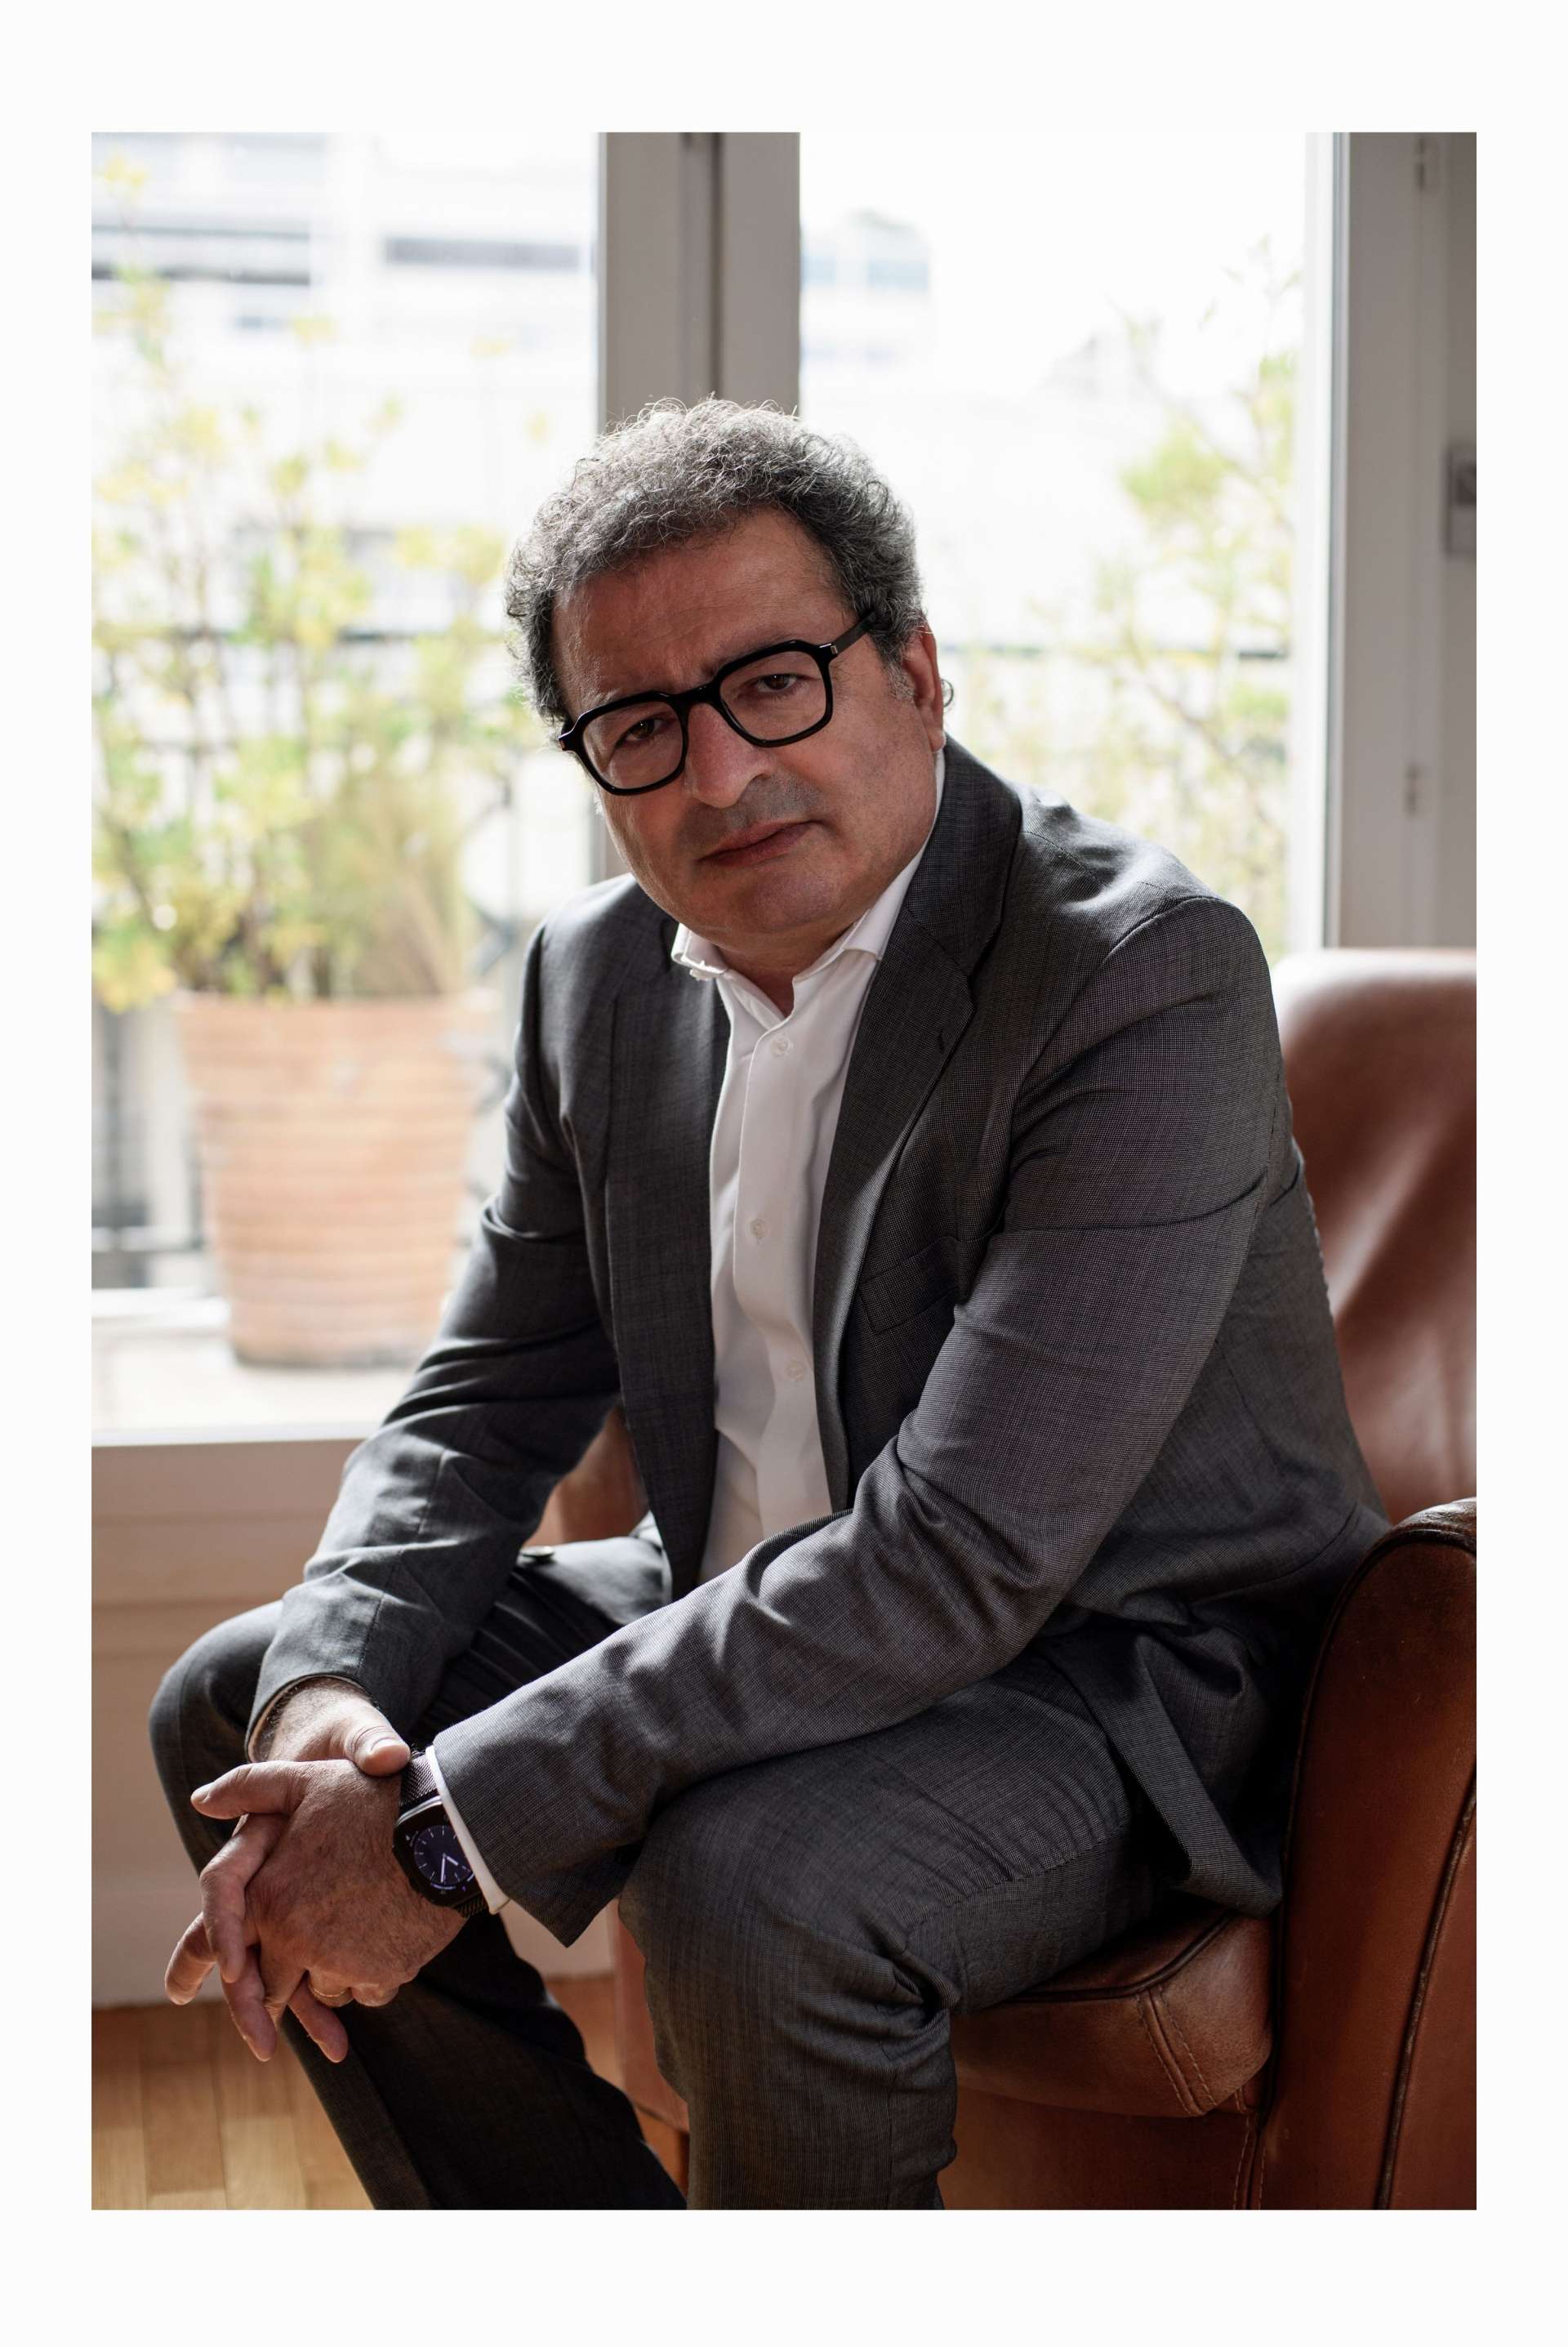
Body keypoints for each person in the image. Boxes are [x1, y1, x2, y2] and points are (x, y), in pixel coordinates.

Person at [150, 396, 1388, 2210]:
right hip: (743, 1587)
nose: (722, 774)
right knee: (237, 1703)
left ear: (916, 673)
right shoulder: (594, 979)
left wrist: (436, 1833)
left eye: (775, 683)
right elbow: (484, 1396)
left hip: (1110, 1672)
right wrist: (338, 1707)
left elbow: (963, 1552)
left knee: (758, 1880)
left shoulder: (1137, 976)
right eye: (642, 726)